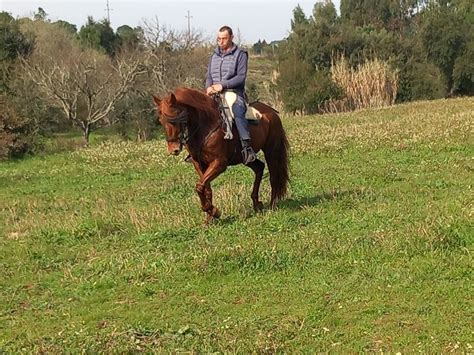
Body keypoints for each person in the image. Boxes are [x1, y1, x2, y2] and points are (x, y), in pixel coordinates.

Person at [205, 25, 257, 164]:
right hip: (214, 93)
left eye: (224, 38)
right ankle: (198, 150)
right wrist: (208, 87)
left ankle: (247, 148)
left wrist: (223, 85)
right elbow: (209, 75)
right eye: (219, 39)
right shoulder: (213, 56)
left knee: (237, 112)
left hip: (234, 92)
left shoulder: (240, 54)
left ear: (232, 38)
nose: (221, 42)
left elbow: (241, 77)